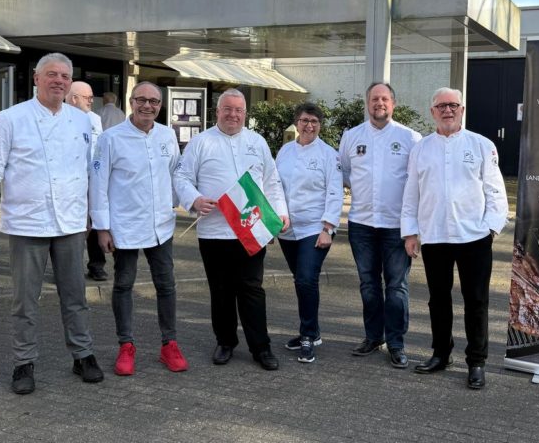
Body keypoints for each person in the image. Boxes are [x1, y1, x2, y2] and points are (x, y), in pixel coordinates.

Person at [0, 52, 103, 395]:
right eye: (51, 74)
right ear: (36, 78)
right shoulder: (11, 118)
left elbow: (91, 174)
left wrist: (95, 217)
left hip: (72, 225)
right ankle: (23, 362)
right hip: (27, 225)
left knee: (76, 296)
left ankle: (83, 354)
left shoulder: (82, 122)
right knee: (24, 300)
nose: (58, 80)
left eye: (64, 75)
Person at [401, 87, 509, 390]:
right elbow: (411, 194)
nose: (447, 110)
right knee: (438, 300)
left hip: (474, 237)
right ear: (432, 111)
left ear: (462, 109)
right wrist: (410, 231)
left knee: (476, 302)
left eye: (453, 105)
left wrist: (491, 229)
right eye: (441, 106)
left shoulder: (481, 145)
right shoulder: (420, 149)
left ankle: (476, 361)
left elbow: (496, 191)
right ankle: (441, 353)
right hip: (434, 237)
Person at [174, 89, 289, 371]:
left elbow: (271, 180)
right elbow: (181, 176)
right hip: (214, 232)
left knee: (252, 289)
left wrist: (280, 212)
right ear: (217, 112)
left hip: (252, 228)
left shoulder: (257, 141)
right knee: (221, 290)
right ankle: (225, 341)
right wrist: (195, 199)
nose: (233, 115)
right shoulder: (201, 142)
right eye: (227, 109)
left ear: (245, 113)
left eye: (239, 110)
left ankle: (261, 347)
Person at [90, 81, 189, 375]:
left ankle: (169, 344)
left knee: (166, 285)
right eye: (142, 100)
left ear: (160, 106)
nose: (148, 106)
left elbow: (176, 174)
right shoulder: (111, 138)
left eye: (154, 102)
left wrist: (190, 201)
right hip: (125, 225)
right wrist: (102, 228)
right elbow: (98, 184)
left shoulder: (167, 135)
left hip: (161, 224)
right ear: (131, 102)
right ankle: (126, 345)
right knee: (123, 284)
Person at [338, 82, 421, 369]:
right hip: (361, 224)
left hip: (397, 227)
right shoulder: (351, 137)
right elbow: (345, 173)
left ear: (393, 104)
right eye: (374, 99)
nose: (379, 103)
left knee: (396, 286)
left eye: (384, 99)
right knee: (369, 285)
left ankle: (396, 343)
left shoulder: (410, 138)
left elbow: (419, 181)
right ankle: (373, 337)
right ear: (367, 103)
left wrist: (415, 228)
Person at [275, 103, 342, 364]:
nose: (309, 125)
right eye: (304, 120)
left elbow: (336, 192)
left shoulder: (329, 154)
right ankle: (311, 331)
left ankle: (308, 335)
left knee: (305, 279)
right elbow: (275, 186)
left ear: (320, 125)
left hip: (315, 228)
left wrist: (328, 228)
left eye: (314, 121)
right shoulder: (285, 151)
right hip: (287, 228)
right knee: (300, 280)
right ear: (296, 122)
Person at [67, 81, 107, 281]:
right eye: (87, 97)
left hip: (92, 179)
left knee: (95, 223)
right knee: (70, 227)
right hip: (68, 181)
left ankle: (96, 266)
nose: (92, 101)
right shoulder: (61, 117)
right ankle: (67, 270)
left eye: (92, 97)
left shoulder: (95, 118)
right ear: (74, 98)